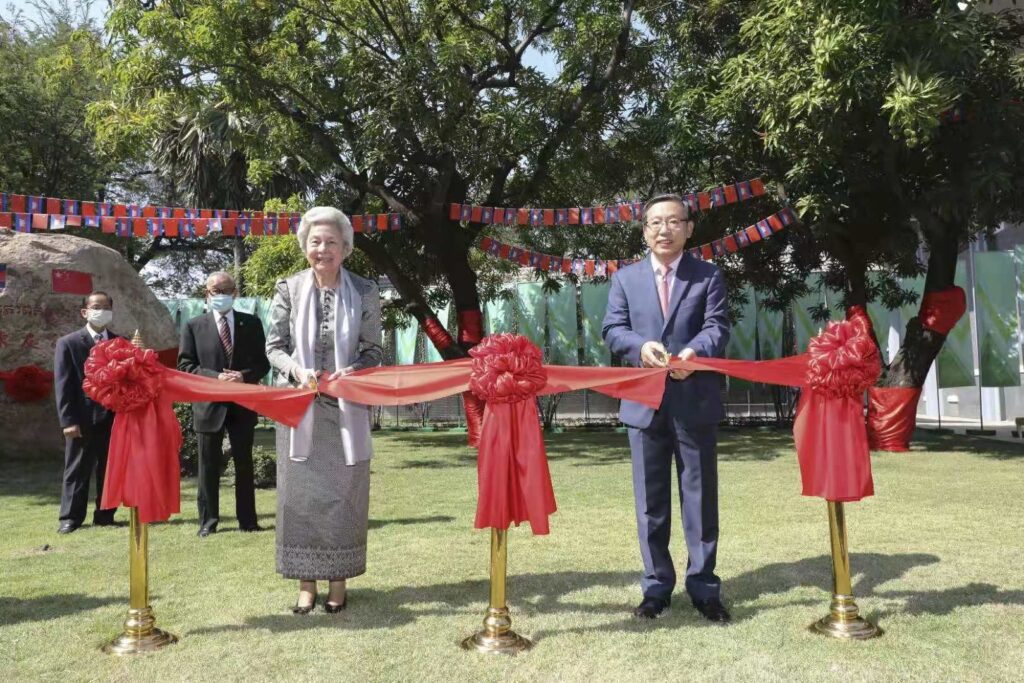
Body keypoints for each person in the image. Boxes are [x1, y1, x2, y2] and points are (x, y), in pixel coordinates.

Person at [602, 194, 732, 622]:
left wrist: (695, 351)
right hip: (644, 405)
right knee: (650, 503)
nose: (664, 229)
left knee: (699, 499)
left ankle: (704, 587)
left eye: (674, 221)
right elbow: (613, 329)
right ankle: (656, 587)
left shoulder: (708, 276)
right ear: (644, 230)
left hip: (694, 402)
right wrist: (640, 347)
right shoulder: (625, 279)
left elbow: (718, 325)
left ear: (689, 228)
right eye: (656, 222)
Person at [266, 206, 383, 614]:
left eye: (331, 241)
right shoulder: (288, 289)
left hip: (346, 412)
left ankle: (338, 582)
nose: (323, 249)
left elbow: (374, 351)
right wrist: (297, 370)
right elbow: (273, 347)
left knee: (343, 496)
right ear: (304, 246)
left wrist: (353, 372)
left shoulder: (365, 290)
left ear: (346, 248)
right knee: (299, 497)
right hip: (299, 411)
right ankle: (305, 584)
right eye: (315, 241)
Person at [178, 271, 270, 537]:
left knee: (244, 464)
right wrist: (215, 377)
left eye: (224, 290)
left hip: (242, 404)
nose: (219, 295)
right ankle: (208, 521)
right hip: (208, 406)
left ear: (235, 293)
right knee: (207, 465)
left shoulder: (251, 323)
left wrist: (244, 376)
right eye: (213, 291)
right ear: (207, 294)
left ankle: (248, 521)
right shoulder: (194, 326)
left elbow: (262, 363)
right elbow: (186, 365)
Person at [53, 291, 120, 533]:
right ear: (85, 312)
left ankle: (105, 515)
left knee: (109, 468)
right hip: (81, 418)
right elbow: (64, 385)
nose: (101, 310)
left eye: (106, 306)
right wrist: (68, 420)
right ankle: (70, 517)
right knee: (78, 469)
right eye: (96, 306)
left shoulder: (119, 342)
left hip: (113, 418)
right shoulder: (68, 343)